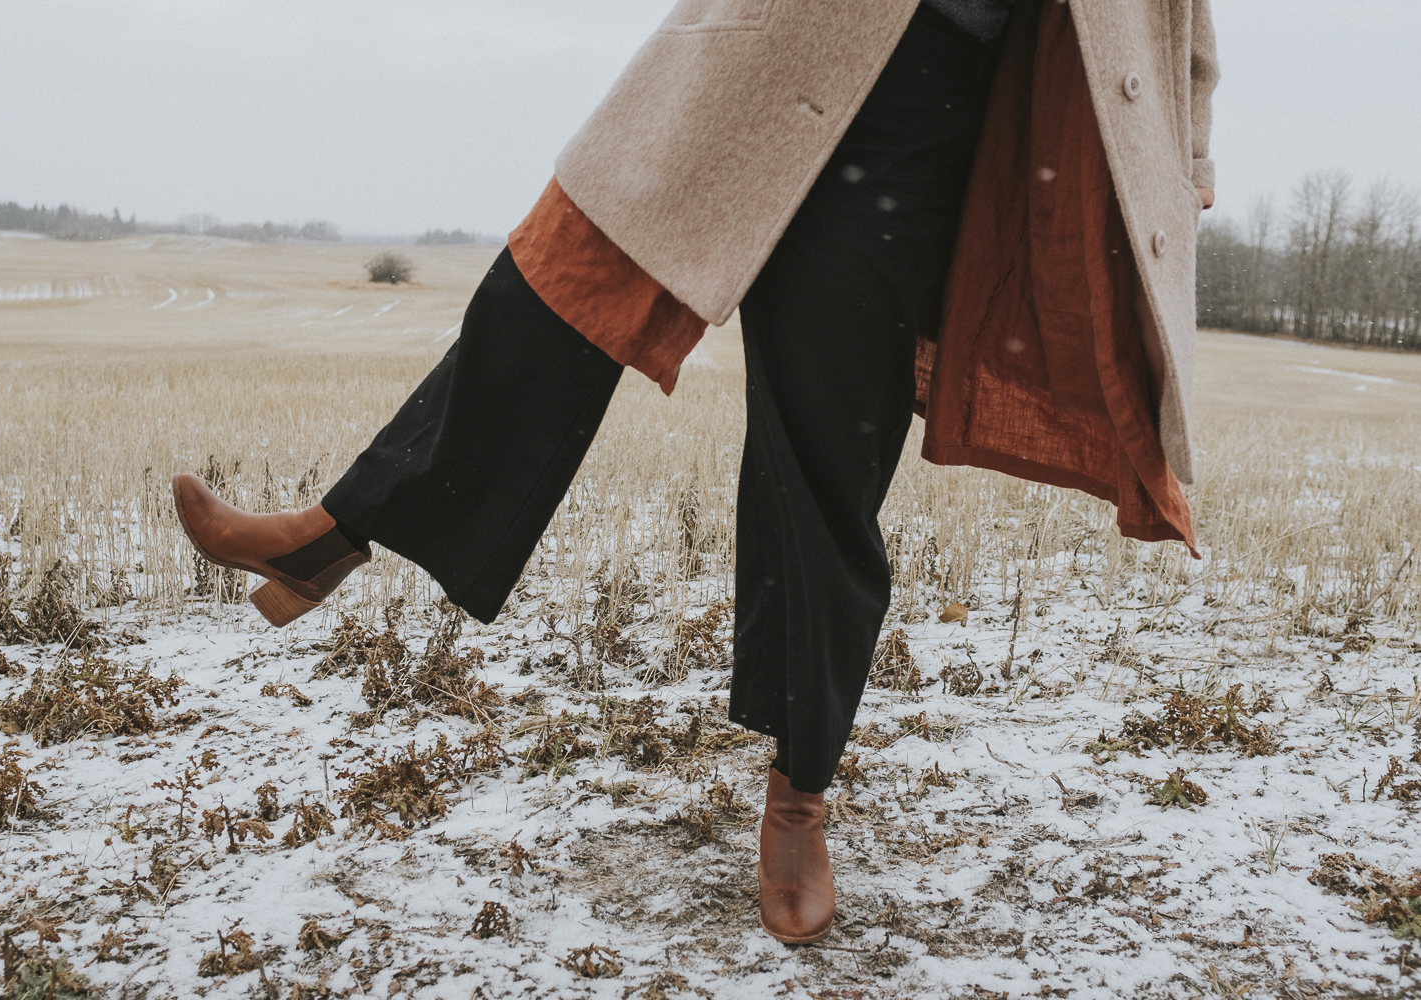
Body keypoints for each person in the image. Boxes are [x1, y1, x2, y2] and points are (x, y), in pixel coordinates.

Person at [172, 0, 1218, 945]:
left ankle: (798, 793)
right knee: (557, 286)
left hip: (926, 111)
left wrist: (1192, 154)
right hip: (770, 52)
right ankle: (332, 533)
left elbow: (1182, 25)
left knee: (825, 452)